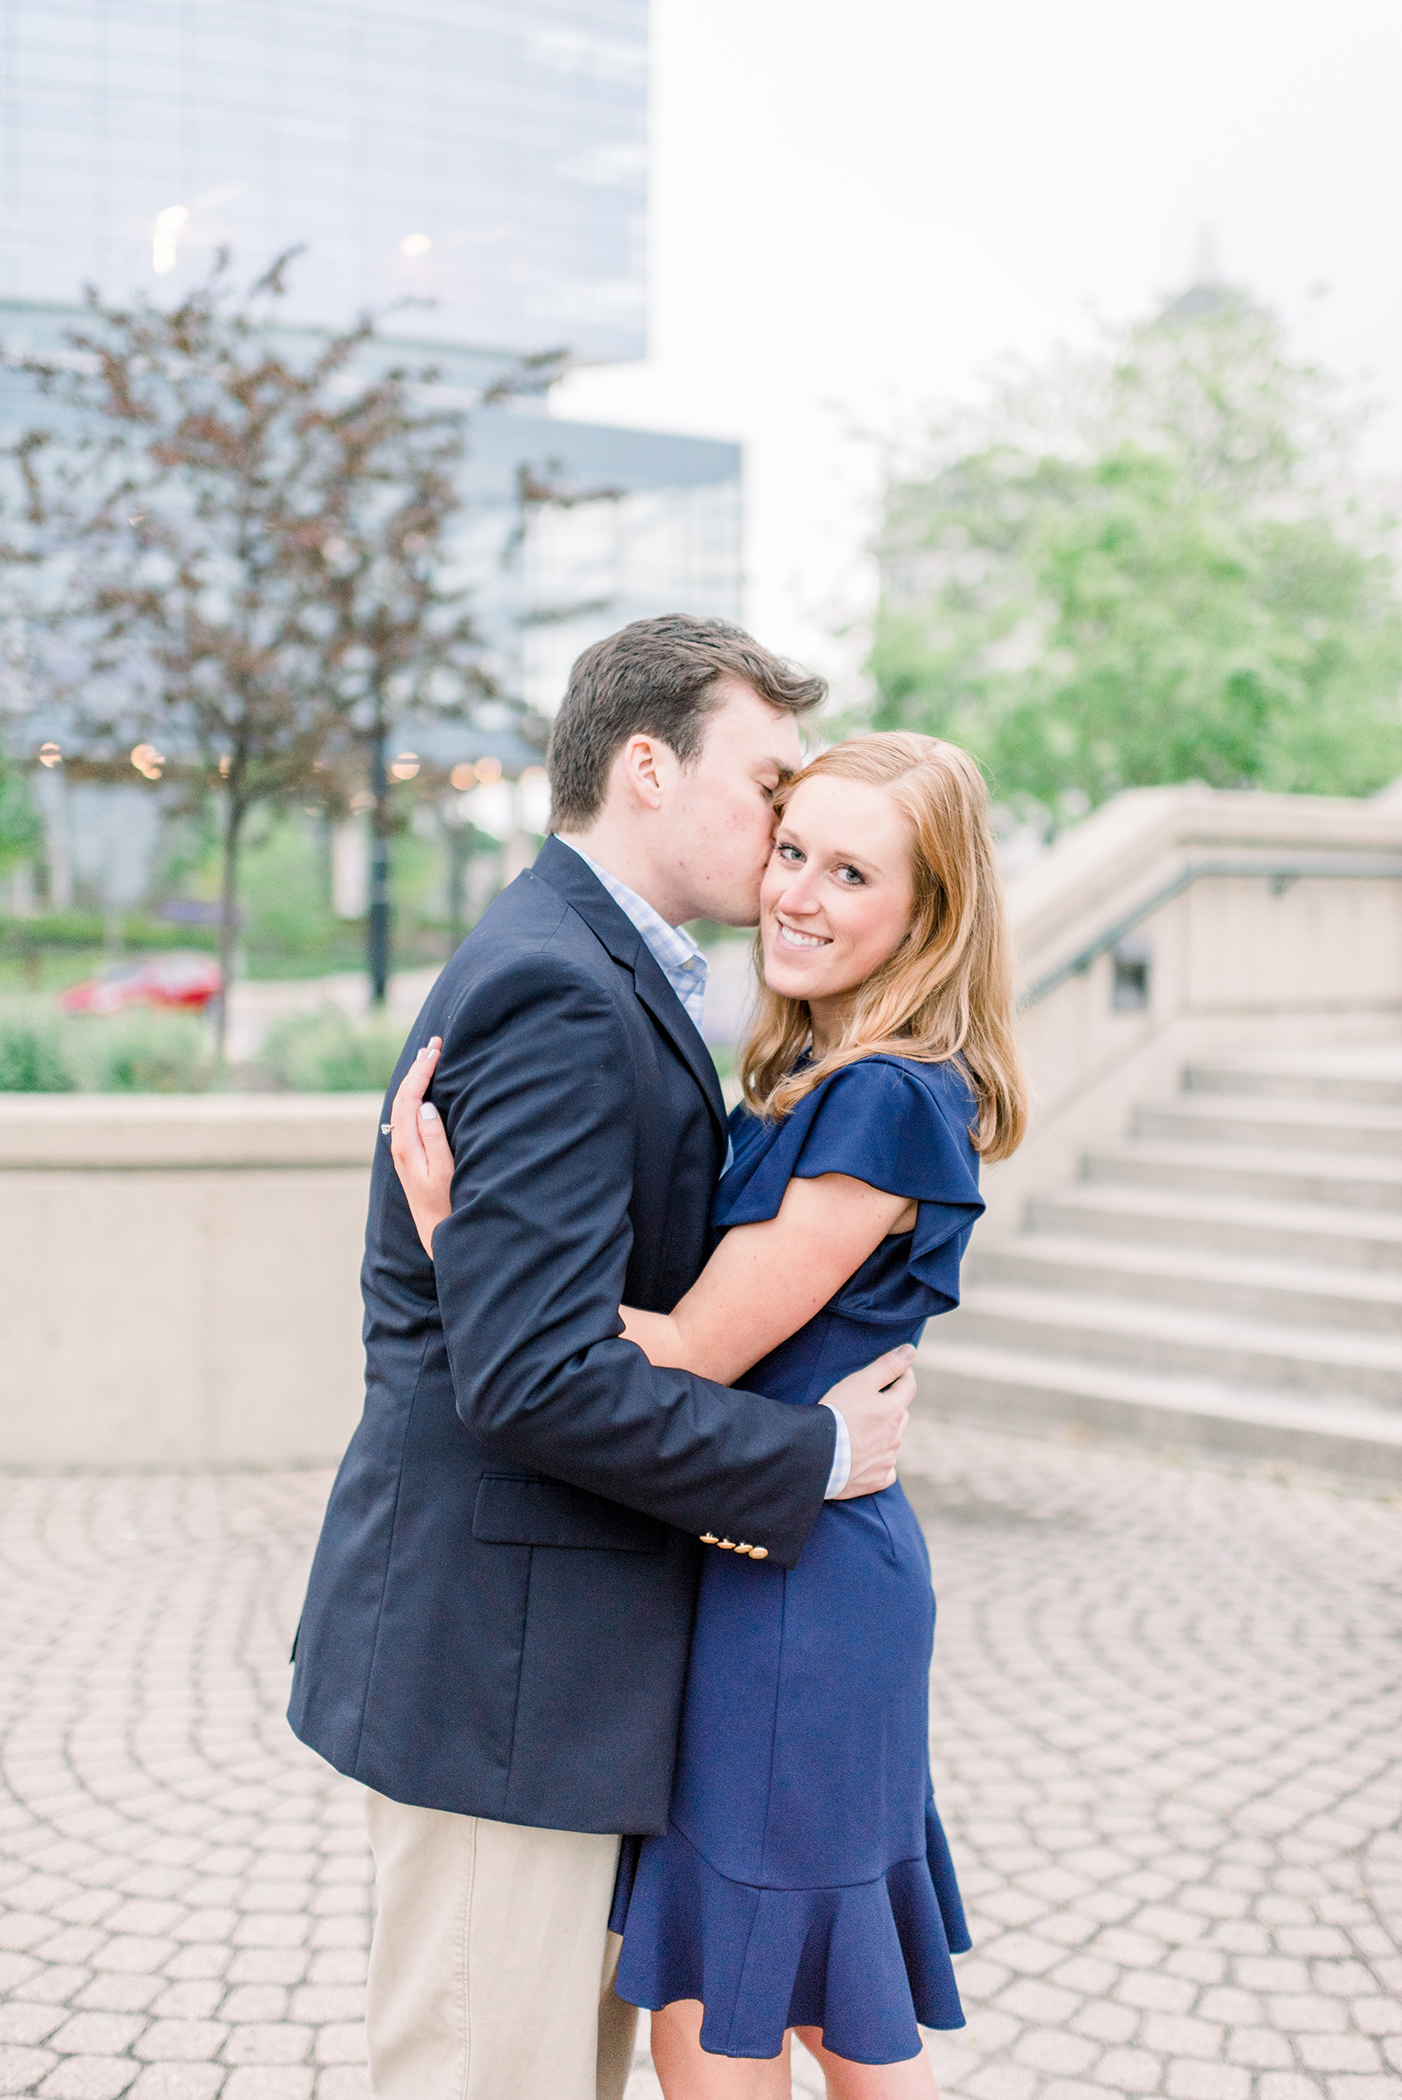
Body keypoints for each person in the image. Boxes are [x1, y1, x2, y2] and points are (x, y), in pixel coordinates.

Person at [286, 616, 920, 2100]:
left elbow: (542, 1327)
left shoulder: (605, 971)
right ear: (647, 765)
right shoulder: (560, 989)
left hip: (558, 1680)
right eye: (765, 783)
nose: (784, 827)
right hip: (504, 1684)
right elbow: (531, 1377)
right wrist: (813, 1458)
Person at [391, 729, 1028, 2097]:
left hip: (798, 1596)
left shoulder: (879, 1099)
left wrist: (472, 1249)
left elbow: (685, 1347)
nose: (794, 891)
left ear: (926, 915)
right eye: (790, 848)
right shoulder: (821, 1081)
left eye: (850, 873)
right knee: (804, 2005)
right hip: (768, 1567)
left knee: (729, 2015)